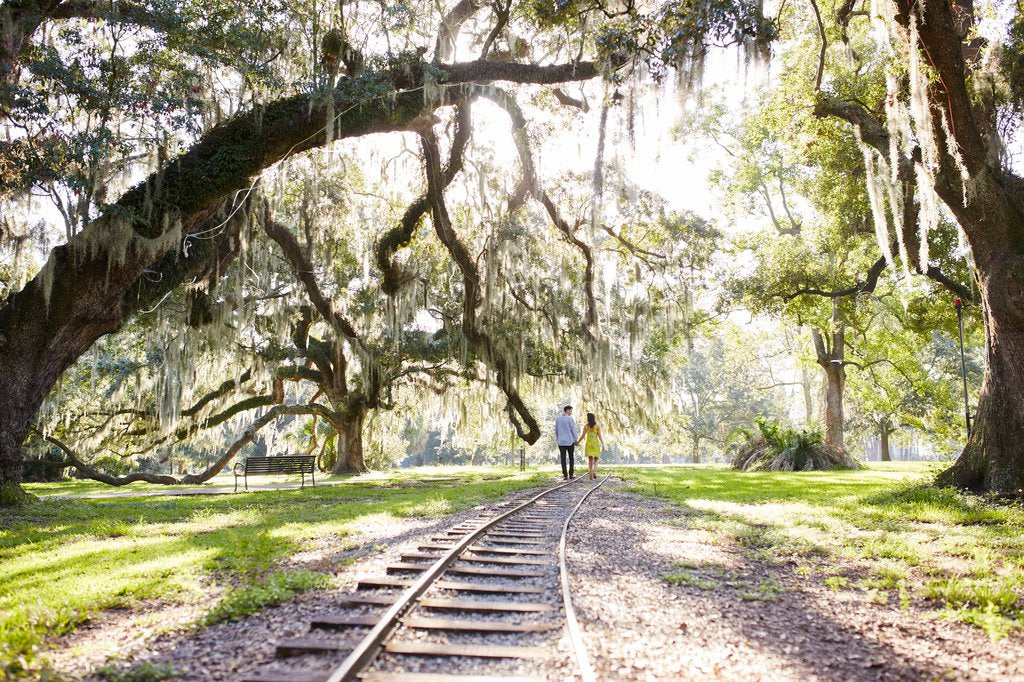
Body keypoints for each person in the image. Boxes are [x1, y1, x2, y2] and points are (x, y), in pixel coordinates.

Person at [554, 404, 579, 479]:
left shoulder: (558, 419)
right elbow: (573, 430)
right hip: (569, 441)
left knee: (563, 458)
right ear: (567, 410)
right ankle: (571, 474)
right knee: (571, 457)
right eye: (570, 410)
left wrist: (558, 439)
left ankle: (565, 475)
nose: (571, 412)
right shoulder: (570, 419)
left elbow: (556, 431)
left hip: (561, 441)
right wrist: (576, 440)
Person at [577, 412, 604, 480]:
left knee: (590, 459)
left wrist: (578, 442)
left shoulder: (586, 426)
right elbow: (600, 436)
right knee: (597, 458)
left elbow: (583, 436)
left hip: (588, 444)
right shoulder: (597, 426)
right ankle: (594, 471)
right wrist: (603, 444)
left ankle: (590, 475)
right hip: (595, 444)